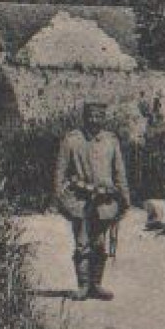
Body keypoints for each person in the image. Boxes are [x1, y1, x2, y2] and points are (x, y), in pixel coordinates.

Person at [52, 107, 130, 300]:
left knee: (99, 243)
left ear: (104, 117)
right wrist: (62, 200)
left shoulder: (111, 141)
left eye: (100, 116)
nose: (95, 120)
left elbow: (119, 173)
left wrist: (124, 199)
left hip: (105, 202)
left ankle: (96, 284)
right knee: (82, 243)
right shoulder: (72, 140)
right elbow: (60, 174)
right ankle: (83, 286)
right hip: (80, 201)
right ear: (84, 117)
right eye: (91, 116)